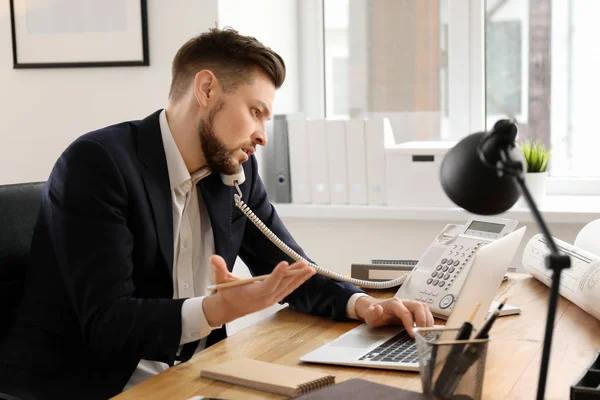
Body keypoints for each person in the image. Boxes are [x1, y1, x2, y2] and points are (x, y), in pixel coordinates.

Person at [0, 27, 434, 399]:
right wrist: (218, 310)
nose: (262, 136)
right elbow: (107, 324)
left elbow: (288, 270)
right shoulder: (98, 165)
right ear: (206, 90)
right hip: (95, 385)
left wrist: (363, 306)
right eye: (255, 112)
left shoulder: (233, 168)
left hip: (191, 375)